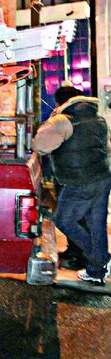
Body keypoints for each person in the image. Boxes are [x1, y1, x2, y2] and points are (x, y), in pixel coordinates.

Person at [33, 85, 111, 284]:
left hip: (79, 181)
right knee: (96, 224)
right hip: (102, 177)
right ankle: (96, 272)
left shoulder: (62, 120)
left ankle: (101, 259)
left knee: (64, 220)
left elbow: (40, 146)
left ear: (60, 102)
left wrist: (51, 120)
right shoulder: (98, 117)